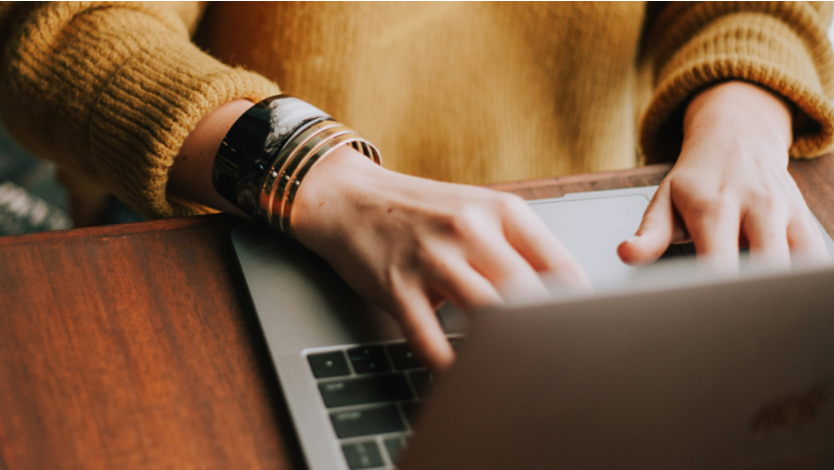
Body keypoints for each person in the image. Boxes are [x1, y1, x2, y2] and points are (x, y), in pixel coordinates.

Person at [1, 2, 833, 371]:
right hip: (263, 236)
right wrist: (322, 177)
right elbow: (61, 29)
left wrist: (744, 122)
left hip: (600, 257)